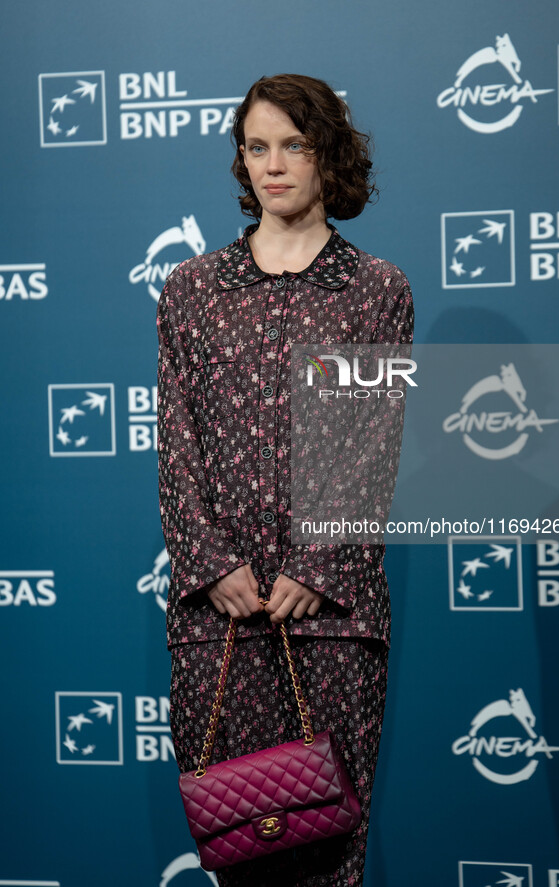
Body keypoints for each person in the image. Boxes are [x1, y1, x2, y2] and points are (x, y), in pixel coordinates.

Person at [157, 73, 413, 887]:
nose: (272, 165)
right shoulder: (192, 292)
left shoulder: (374, 291)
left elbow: (371, 447)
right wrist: (209, 564)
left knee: (330, 856)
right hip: (218, 617)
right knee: (241, 846)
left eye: (292, 145)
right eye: (256, 146)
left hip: (330, 621)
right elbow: (176, 444)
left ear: (326, 155)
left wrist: (317, 565)